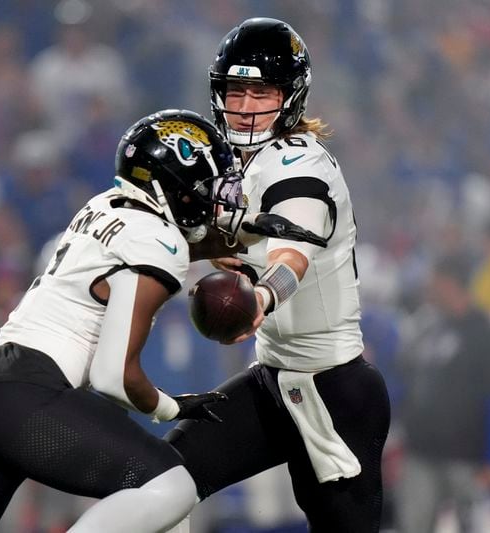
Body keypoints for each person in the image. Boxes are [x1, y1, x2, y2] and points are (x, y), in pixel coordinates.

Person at [0, 109, 317, 532]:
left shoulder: (102, 205)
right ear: (178, 185)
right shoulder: (161, 244)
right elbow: (113, 377)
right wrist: (169, 407)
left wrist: (228, 243)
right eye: (205, 185)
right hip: (29, 397)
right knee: (172, 484)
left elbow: (151, 244)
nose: (212, 198)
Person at [166, 18, 391, 532]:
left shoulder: (300, 165)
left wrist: (262, 297)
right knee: (162, 475)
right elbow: (214, 234)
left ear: (290, 96)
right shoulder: (231, 162)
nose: (244, 106)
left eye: (261, 91)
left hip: (335, 394)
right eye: (235, 91)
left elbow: (293, 256)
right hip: (271, 381)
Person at [396, 255, 490, 533]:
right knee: (412, 526)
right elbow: (406, 382)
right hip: (421, 453)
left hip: (467, 457)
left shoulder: (486, 331)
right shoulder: (427, 326)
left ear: (450, 284)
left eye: (434, 282)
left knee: (472, 527)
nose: (428, 289)